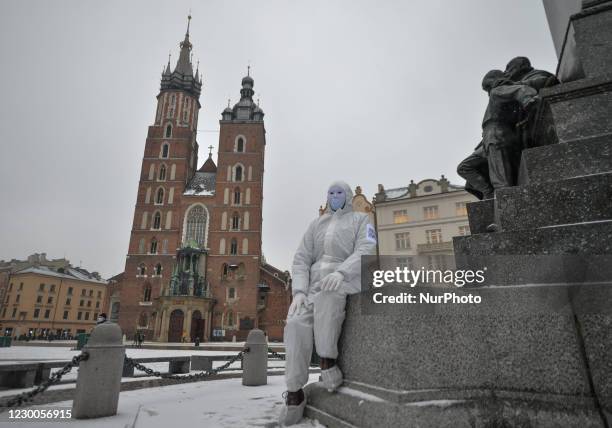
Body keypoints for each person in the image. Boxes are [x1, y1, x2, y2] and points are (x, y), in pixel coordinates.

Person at [279, 181, 377, 426]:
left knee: (328, 299)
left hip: (346, 278)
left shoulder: (361, 220)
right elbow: (301, 258)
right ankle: (294, 391)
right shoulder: (316, 225)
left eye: (339, 193)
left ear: (346, 197)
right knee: (295, 322)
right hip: (313, 285)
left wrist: (342, 272)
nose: (335, 197)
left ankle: (327, 361)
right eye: (331, 193)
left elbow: (367, 247)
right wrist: (299, 291)